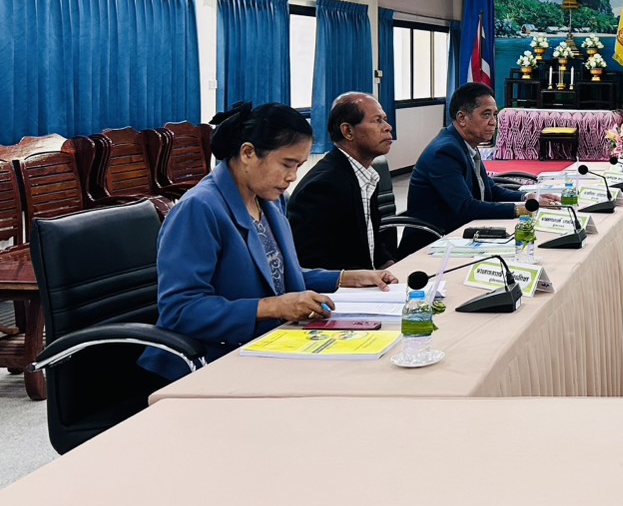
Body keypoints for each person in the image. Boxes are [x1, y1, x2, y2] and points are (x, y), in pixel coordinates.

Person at [143, 103, 396, 382]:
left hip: (268, 344)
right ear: (248, 153)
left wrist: (347, 278)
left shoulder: (269, 200)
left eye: (298, 166)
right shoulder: (199, 208)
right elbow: (180, 310)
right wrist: (274, 307)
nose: (292, 177)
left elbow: (276, 276)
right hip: (210, 361)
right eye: (287, 164)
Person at [404, 82, 536, 251]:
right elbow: (466, 207)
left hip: (464, 234)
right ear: (462, 118)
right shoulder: (445, 152)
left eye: (495, 115)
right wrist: (519, 210)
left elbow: (490, 189)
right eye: (486, 115)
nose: (493, 122)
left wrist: (527, 198)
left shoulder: (467, 144)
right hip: (433, 245)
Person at [288, 92, 396, 269]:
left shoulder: (367, 175)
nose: (388, 127)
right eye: (377, 121)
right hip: (345, 284)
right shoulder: (323, 186)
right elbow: (312, 263)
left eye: (385, 120)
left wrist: (390, 266)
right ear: (348, 131)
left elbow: (371, 242)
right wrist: (367, 278)